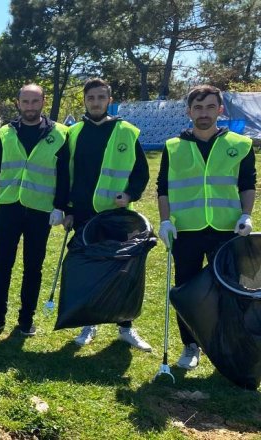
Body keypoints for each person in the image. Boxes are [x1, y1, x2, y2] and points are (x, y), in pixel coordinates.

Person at [157, 84, 256, 370]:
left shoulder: (239, 144)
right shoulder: (173, 146)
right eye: (198, 107)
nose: (204, 113)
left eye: (210, 106)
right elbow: (162, 187)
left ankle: (229, 345)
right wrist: (165, 220)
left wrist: (246, 214)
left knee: (230, 290)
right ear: (189, 111)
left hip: (227, 229)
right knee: (186, 289)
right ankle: (191, 345)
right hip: (187, 230)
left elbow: (247, 184)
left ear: (220, 110)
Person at [64, 78, 152, 351]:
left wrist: (129, 195)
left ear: (109, 100)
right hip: (83, 213)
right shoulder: (74, 132)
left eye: (101, 97)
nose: (96, 102)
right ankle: (89, 322)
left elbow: (141, 172)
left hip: (117, 214)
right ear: (85, 101)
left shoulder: (127, 131)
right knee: (89, 268)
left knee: (122, 270)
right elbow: (66, 174)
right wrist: (67, 209)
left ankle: (125, 326)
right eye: (91, 98)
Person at [0, 84, 70, 338]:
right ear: (18, 103)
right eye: (25, 102)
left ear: (43, 102)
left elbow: (64, 174)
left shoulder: (60, 133)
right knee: (2, 265)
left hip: (40, 210)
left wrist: (59, 207)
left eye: (35, 101)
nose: (30, 107)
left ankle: (25, 320)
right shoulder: (6, 132)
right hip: (9, 207)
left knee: (33, 267)